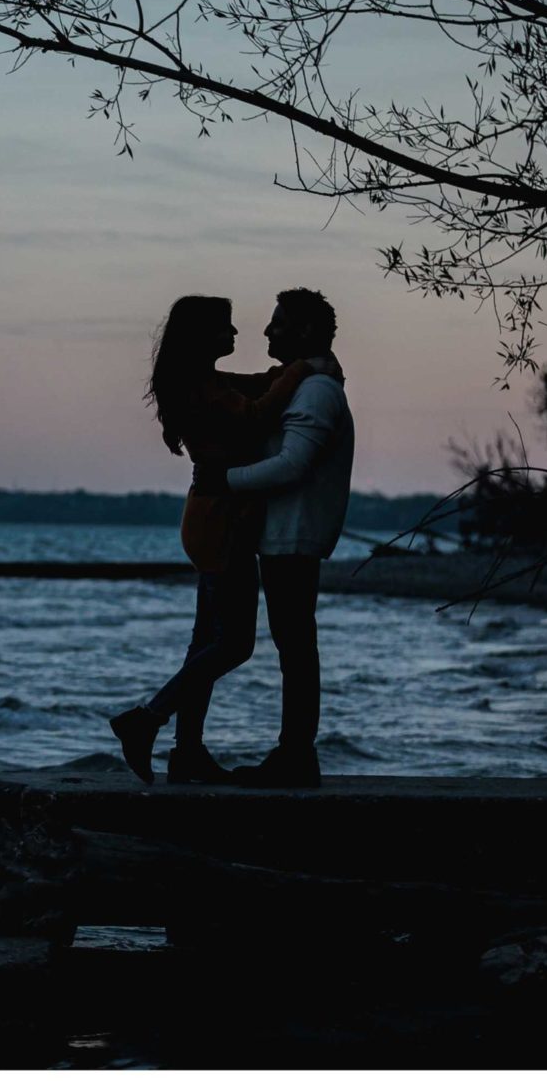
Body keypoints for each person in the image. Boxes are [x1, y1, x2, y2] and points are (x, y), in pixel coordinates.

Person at [108, 295, 334, 784]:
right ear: (200, 337)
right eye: (225, 330)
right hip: (219, 521)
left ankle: (186, 752)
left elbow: (256, 387)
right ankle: (146, 720)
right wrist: (303, 371)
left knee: (206, 641)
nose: (236, 336)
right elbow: (255, 415)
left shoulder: (207, 383)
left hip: (218, 517)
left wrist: (298, 370)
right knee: (234, 644)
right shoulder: (199, 390)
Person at [192, 288, 355, 788]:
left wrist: (223, 481)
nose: (266, 331)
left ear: (305, 332)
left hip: (293, 534)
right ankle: (292, 754)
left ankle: (295, 756)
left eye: (279, 323)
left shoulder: (317, 391)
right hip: (281, 532)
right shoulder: (304, 382)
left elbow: (293, 465)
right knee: (293, 645)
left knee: (295, 646)